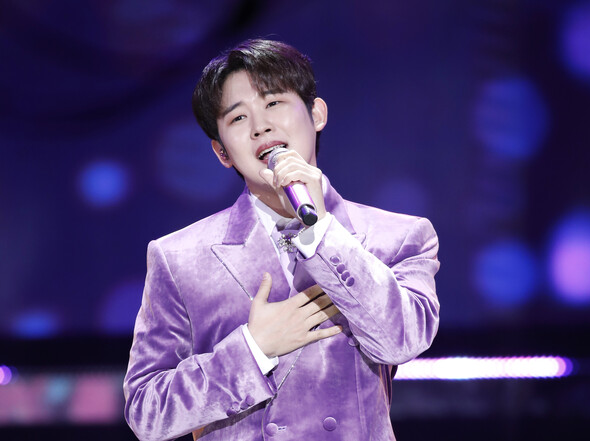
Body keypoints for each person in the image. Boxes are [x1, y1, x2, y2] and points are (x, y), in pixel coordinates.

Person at [123, 39, 440, 441]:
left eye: (274, 103)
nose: (261, 126)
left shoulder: (398, 237)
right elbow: (147, 412)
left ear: (316, 113)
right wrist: (254, 349)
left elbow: (401, 341)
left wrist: (323, 233)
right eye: (239, 118)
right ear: (222, 152)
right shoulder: (179, 257)